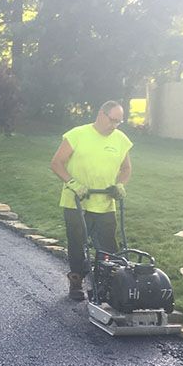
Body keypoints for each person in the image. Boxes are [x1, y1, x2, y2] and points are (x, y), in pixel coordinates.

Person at [49, 100, 133, 301]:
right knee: (77, 243)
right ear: (101, 114)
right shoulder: (77, 135)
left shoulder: (121, 139)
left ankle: (107, 284)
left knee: (108, 246)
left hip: (105, 203)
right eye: (112, 120)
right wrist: (73, 183)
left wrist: (120, 185)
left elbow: (126, 168)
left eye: (119, 122)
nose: (114, 125)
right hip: (76, 203)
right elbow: (56, 163)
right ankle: (76, 281)